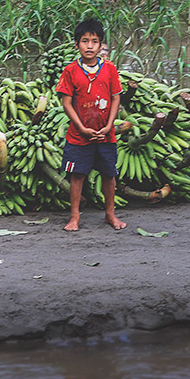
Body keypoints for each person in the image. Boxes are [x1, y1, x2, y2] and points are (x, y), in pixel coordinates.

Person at [55, 18, 126, 231]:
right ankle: (74, 216)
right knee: (77, 175)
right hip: (79, 135)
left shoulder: (109, 69)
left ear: (100, 45)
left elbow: (115, 98)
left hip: (106, 134)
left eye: (94, 41)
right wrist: (81, 128)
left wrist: (109, 125)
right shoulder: (70, 71)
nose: (89, 46)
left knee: (109, 175)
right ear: (76, 44)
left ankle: (110, 214)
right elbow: (66, 103)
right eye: (84, 41)